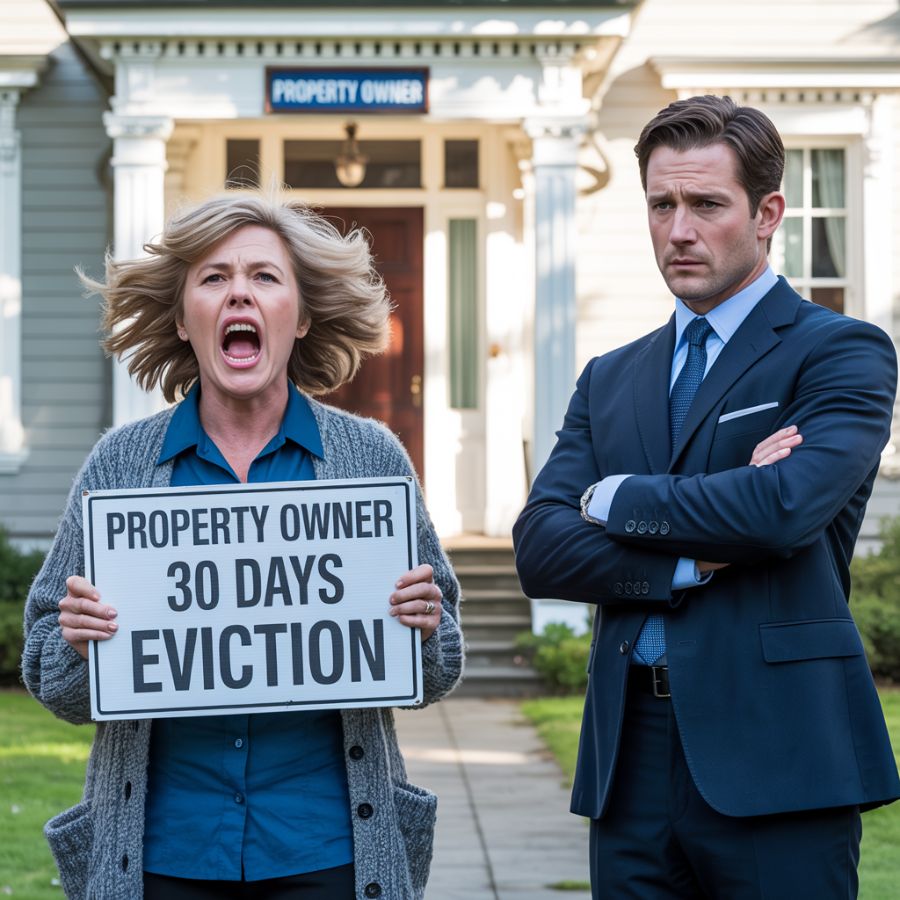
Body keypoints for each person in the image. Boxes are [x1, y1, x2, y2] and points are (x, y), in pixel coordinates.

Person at [22, 191, 463, 900]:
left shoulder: (370, 461)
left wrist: (425, 626)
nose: (239, 294)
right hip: (164, 856)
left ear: (302, 315)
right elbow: (50, 674)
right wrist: (76, 643)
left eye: (264, 276)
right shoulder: (120, 467)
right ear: (182, 318)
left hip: (328, 850)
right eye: (213, 277)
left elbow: (436, 668)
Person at [513, 95, 900, 898]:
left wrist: (613, 498)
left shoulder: (841, 353)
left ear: (768, 214)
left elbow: (781, 510)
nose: (679, 230)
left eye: (706, 205)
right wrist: (690, 556)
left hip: (778, 753)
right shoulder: (610, 377)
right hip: (630, 761)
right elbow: (541, 548)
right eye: (662, 205)